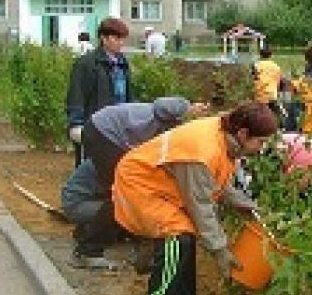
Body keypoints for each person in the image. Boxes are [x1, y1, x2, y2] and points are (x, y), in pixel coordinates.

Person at [111, 102, 278, 295]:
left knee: (185, 240)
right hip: (140, 185)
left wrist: (244, 204)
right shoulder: (201, 151)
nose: (261, 148)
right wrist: (220, 249)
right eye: (260, 142)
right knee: (178, 238)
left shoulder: (224, 137)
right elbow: (201, 206)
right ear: (243, 134)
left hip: (165, 187)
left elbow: (216, 179)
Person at [63, 97, 207, 270]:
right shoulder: (168, 115)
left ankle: (90, 235)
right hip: (102, 133)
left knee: (131, 192)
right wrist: (187, 108)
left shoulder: (174, 131)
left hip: (106, 132)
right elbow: (162, 105)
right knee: (123, 194)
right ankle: (87, 252)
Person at [66, 17, 133, 169]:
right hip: (95, 124)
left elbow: (129, 95)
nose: (121, 43)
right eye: (116, 38)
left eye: (123, 39)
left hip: (118, 124)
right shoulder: (86, 64)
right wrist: (76, 124)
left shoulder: (122, 63)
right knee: (91, 168)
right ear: (103, 38)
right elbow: (76, 94)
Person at [252, 47, 283, 118]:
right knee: (273, 115)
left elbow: (253, 79)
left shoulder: (256, 66)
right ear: (271, 55)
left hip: (260, 95)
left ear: (260, 55)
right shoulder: (276, 67)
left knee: (260, 116)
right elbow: (278, 82)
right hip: (272, 94)